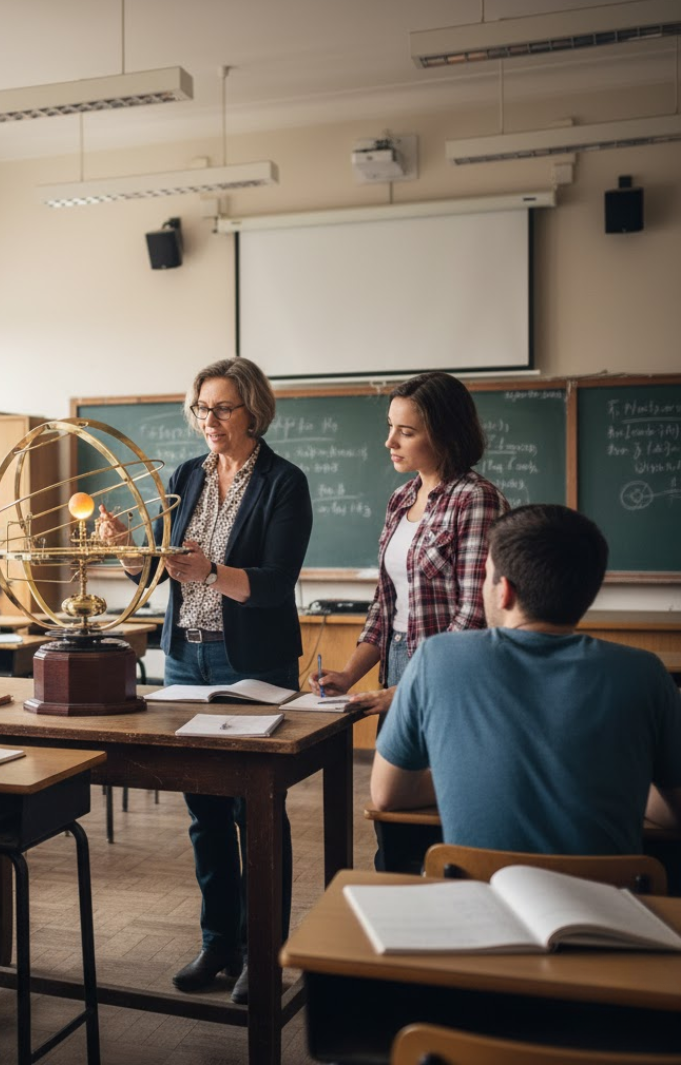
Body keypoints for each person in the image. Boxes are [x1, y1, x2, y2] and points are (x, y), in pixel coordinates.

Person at [97, 357, 312, 1004]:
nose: (208, 421)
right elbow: (158, 571)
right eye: (201, 409)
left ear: (253, 411)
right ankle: (219, 941)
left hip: (252, 662)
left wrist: (211, 571)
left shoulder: (284, 483)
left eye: (222, 408)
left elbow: (274, 585)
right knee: (205, 812)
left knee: (258, 812)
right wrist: (128, 545)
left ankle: (263, 954)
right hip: (186, 658)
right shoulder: (185, 476)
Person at [372, 504, 681, 854]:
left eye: (486, 576)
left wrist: (463, 777)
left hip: (480, 897)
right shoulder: (644, 673)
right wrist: (613, 785)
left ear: (504, 591)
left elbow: (386, 795)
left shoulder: (437, 658)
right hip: (607, 900)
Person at [311, 371, 509, 715]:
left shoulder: (476, 499)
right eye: (390, 426)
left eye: (406, 432)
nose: (390, 441)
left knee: (435, 771)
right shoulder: (401, 498)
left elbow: (474, 615)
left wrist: (413, 686)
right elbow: (384, 603)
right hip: (396, 660)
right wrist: (347, 675)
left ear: (446, 435)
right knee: (397, 769)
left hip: (449, 673)